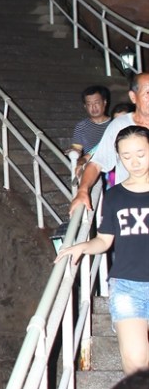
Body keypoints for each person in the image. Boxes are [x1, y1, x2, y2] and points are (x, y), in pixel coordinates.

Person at [57, 126, 149, 373]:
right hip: (128, 287)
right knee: (136, 361)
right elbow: (105, 240)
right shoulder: (115, 196)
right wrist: (83, 246)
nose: (134, 161)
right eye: (126, 156)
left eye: (140, 153)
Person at [71, 73, 149, 217]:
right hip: (130, 207)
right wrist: (82, 191)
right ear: (133, 97)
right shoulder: (119, 126)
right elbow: (96, 163)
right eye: (147, 93)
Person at [67, 85, 113, 179]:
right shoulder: (81, 126)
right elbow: (77, 148)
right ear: (85, 106)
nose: (93, 107)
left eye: (97, 103)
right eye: (89, 104)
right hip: (92, 169)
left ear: (104, 102)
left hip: (112, 167)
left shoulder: (115, 124)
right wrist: (74, 151)